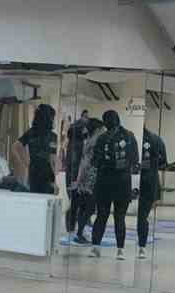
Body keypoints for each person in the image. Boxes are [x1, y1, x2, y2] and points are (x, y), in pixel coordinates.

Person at [86, 110, 138, 260]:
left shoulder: (104, 138)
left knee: (104, 216)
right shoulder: (129, 136)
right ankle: (118, 250)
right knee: (117, 217)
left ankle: (98, 248)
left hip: (108, 182)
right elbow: (135, 160)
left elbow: (94, 161)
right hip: (119, 181)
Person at [62, 109, 98, 243]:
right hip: (76, 179)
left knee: (79, 205)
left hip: (77, 179)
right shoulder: (77, 146)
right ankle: (74, 231)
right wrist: (77, 181)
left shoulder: (77, 145)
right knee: (79, 205)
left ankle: (75, 230)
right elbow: (78, 164)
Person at [15, 104, 58, 197]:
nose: (53, 120)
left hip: (34, 170)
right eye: (52, 117)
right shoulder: (52, 136)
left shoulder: (31, 132)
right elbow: (52, 160)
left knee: (35, 199)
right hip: (45, 172)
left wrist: (24, 162)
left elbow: (16, 146)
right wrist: (55, 182)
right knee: (45, 201)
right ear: (48, 118)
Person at [137, 128, 167, 260]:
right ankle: (141, 248)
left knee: (140, 217)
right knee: (142, 217)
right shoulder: (156, 139)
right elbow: (164, 162)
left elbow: (163, 161)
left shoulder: (153, 139)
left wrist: (144, 165)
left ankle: (140, 247)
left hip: (142, 180)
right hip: (148, 180)